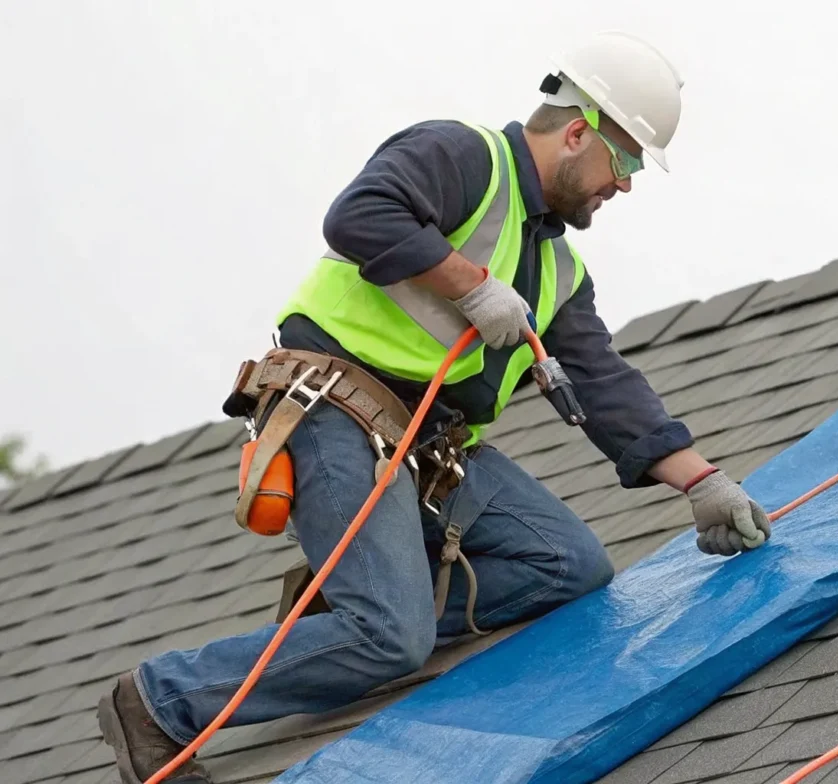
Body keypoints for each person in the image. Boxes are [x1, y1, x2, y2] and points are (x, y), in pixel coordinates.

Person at [95, 31, 771, 784]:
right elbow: (360, 215)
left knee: (571, 566)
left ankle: (370, 605)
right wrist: (468, 284)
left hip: (430, 455)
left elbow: (606, 383)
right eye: (628, 161)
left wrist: (703, 483)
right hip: (335, 412)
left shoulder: (556, 269)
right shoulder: (465, 158)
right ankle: (160, 700)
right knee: (391, 638)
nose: (627, 185)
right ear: (578, 133)